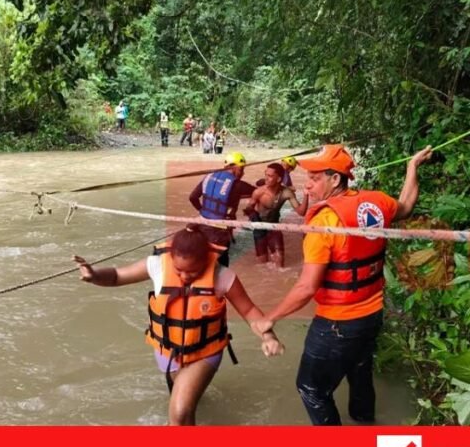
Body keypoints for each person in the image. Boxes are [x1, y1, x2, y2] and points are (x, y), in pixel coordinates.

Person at [252, 144, 433, 425]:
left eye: (314, 178)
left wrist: (270, 318)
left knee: (311, 388)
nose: (307, 185)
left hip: (337, 324)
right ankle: (365, 422)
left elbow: (306, 288)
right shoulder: (376, 202)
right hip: (372, 315)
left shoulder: (324, 222)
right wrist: (412, 167)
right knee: (360, 372)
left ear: (335, 179)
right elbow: (406, 206)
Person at [72, 225, 285, 425]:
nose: (184, 277)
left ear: (206, 260)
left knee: (180, 412)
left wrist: (268, 336)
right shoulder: (157, 265)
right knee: (185, 406)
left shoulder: (222, 275)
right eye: (178, 270)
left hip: (204, 352)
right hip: (167, 352)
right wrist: (94, 275)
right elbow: (117, 276)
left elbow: (249, 310)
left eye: (192, 272)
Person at [189, 152, 256, 266]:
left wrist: (202, 211)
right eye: (241, 169)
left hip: (203, 224)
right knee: (221, 263)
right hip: (220, 231)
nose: (243, 173)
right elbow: (258, 192)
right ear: (234, 167)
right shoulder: (238, 185)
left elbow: (192, 197)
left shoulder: (208, 177)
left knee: (204, 259)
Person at [243, 163, 309, 269]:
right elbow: (248, 209)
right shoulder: (258, 192)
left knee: (280, 265)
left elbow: (301, 212)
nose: (266, 178)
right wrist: (252, 216)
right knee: (262, 265)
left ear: (278, 179)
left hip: (274, 226)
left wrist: (306, 195)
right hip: (259, 227)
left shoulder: (286, 193)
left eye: (270, 176)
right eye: (266, 175)